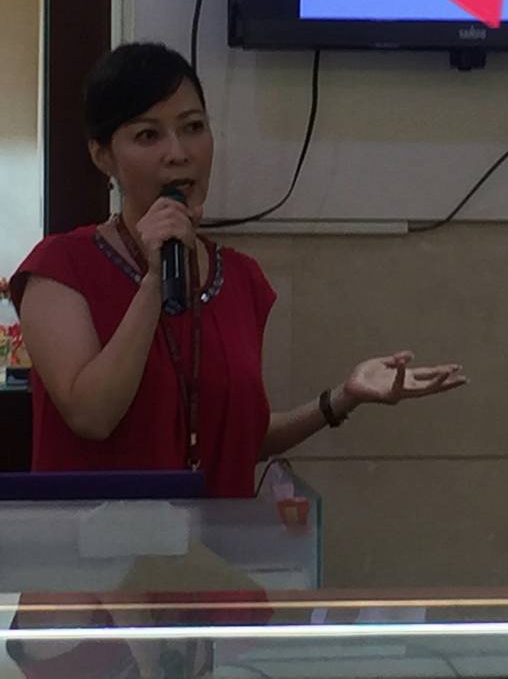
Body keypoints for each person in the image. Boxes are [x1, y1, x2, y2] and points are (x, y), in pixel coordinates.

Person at [10, 42, 467, 497]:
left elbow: (234, 440)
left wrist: (342, 398)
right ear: (102, 155)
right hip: (93, 542)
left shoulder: (241, 279)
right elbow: (92, 416)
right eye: (148, 136)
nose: (178, 153)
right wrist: (154, 282)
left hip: (214, 542)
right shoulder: (60, 266)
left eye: (193, 127)